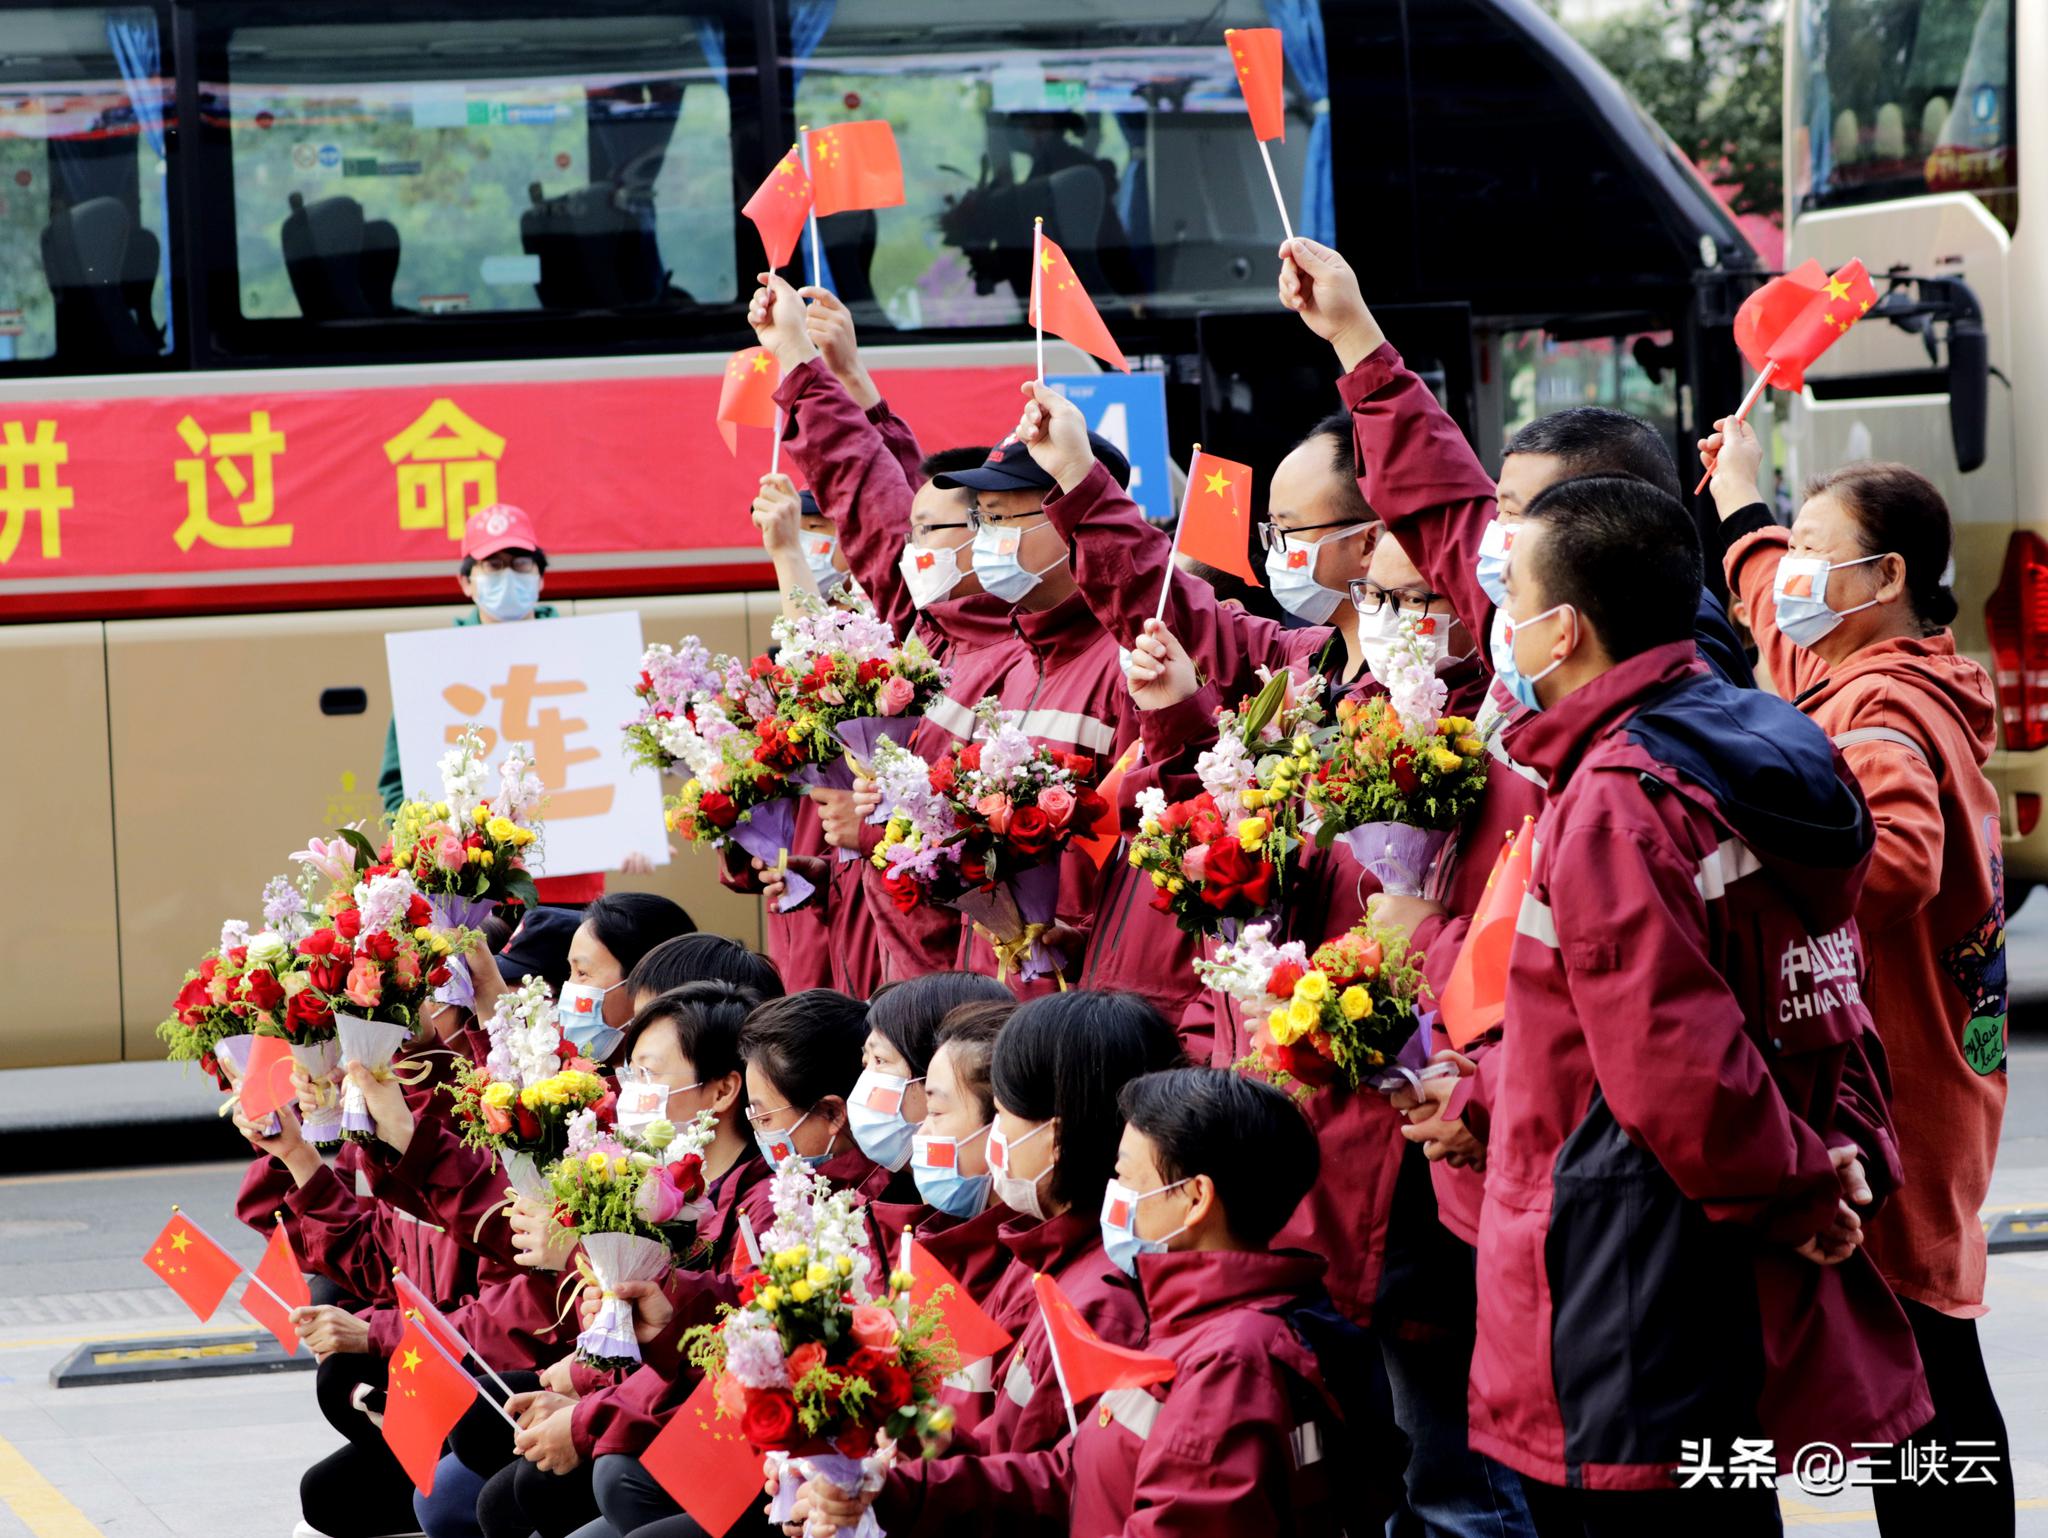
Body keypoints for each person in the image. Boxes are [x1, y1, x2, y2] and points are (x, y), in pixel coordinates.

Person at [1415, 474, 1927, 1534]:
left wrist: (1798, 1187)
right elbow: (1824, 990)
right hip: (1714, 1246)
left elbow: (1673, 1059)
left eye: (1510, 599)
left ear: (1560, 629)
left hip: (1624, 1271)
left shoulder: (1614, 796)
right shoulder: (1762, 743)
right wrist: (1840, 1150)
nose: (1499, 625)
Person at [1705, 427, 2010, 1535]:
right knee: (1915, 1349)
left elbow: (1894, 856)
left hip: (1903, 1088)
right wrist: (1741, 499)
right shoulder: (1868, 670)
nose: (1787, 578)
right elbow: (1777, 637)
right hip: (1936, 1071)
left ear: (1879, 578)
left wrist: (1747, 880)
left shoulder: (1879, 710)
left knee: (1922, 1361)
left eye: (1811, 552)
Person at [805, 1066, 1395, 1537]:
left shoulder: (1232, 1361)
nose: (1116, 1196)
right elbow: (1074, 1475)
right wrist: (898, 1492)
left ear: (1194, 1200)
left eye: (1129, 1179)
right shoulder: (1195, 1323)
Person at [474, 981, 768, 1538]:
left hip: (694, 1424)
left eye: (651, 1075)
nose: (633, 1092)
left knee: (573, 1484)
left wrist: (586, 1410)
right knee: (491, 1467)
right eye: (630, 1074)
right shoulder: (633, 1177)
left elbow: (712, 1350)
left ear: (725, 1089)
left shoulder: (758, 1206)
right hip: (631, 1398)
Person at [376, 501, 656, 903]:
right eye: (493, 565)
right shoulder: (433, 667)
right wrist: (425, 844)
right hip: (472, 888)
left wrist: (634, 828)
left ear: (540, 577)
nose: (507, 575)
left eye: (520, 563)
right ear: (466, 582)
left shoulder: (584, 656)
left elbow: (625, 755)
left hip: (570, 884)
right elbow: (396, 782)